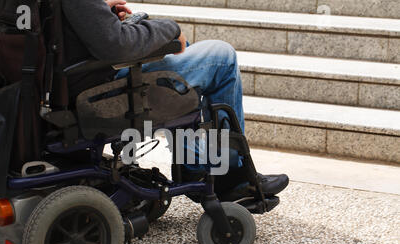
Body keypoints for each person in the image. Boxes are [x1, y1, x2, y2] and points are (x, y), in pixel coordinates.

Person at [61, 0, 289, 199]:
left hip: (73, 86)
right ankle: (227, 174)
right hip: (97, 93)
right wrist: (170, 27)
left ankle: (195, 163)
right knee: (222, 57)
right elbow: (116, 43)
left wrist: (100, 13)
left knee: (181, 55)